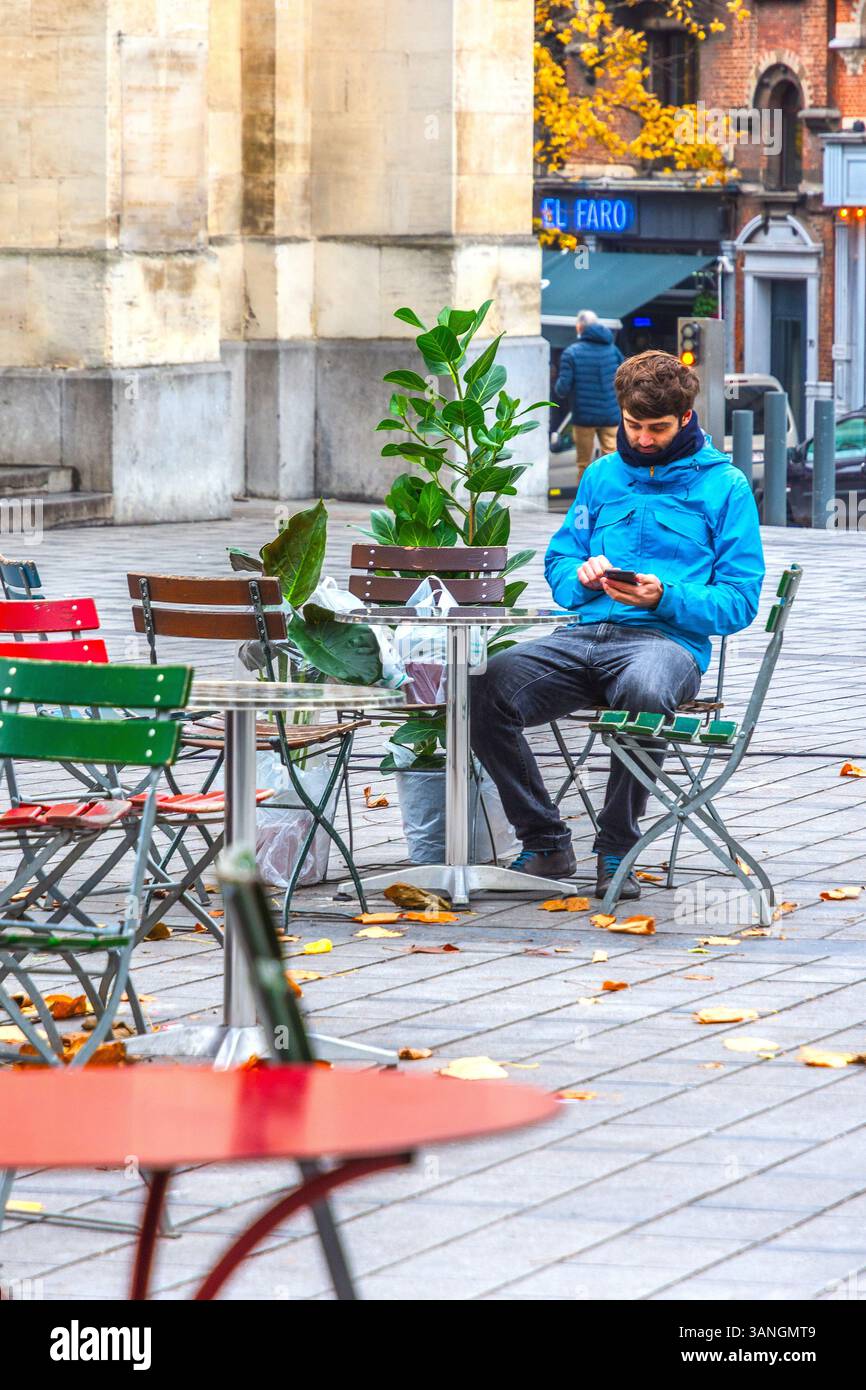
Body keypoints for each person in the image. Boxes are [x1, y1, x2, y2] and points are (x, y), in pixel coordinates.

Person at [470, 350, 765, 900]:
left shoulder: (725, 488)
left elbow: (740, 600)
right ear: (621, 416)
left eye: (657, 428)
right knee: (482, 683)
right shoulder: (602, 476)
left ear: (685, 418)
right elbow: (559, 563)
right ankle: (545, 841)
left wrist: (666, 595)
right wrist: (581, 576)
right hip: (581, 639)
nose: (645, 440)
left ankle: (617, 847)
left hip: (666, 644)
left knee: (644, 689)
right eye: (634, 426)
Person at [554, 309, 624, 485]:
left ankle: (584, 504)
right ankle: (610, 497)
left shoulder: (572, 353)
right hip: (610, 415)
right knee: (612, 461)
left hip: (584, 417)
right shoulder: (613, 350)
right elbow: (625, 378)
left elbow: (562, 388)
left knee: (583, 464)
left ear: (579, 327)